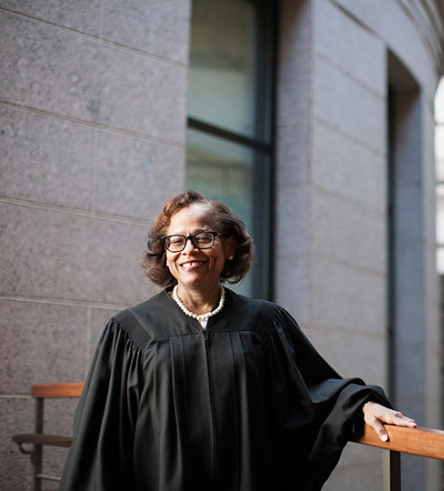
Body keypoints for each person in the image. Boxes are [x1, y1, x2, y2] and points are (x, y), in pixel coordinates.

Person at [60, 191, 415, 490]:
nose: (189, 250)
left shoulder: (265, 323)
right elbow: (101, 439)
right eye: (176, 241)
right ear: (165, 252)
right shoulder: (130, 330)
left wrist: (361, 405)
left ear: (229, 247)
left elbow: (314, 389)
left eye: (203, 237)